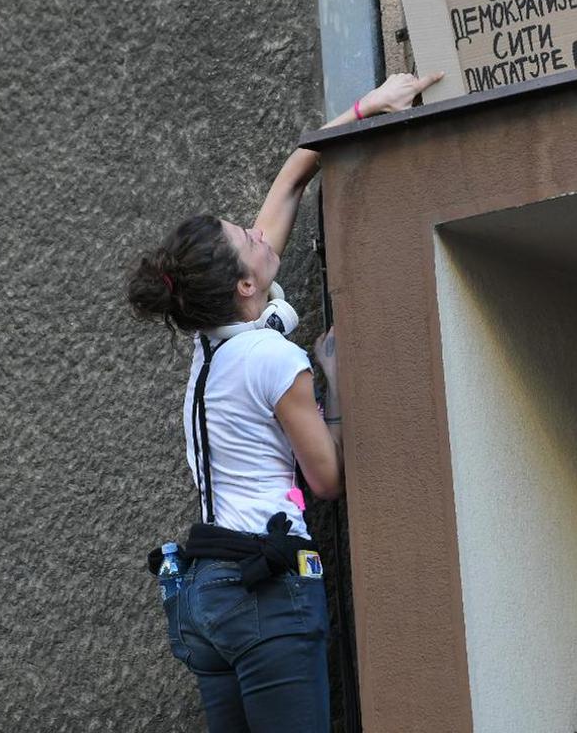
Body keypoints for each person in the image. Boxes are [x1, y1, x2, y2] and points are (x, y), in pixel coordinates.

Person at [127, 71, 441, 733]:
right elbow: (326, 479)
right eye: (249, 235)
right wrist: (337, 374)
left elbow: (291, 182)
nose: (260, 231)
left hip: (206, 600)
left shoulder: (216, 341)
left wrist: (366, 107)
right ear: (246, 283)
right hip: (264, 592)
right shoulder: (273, 359)